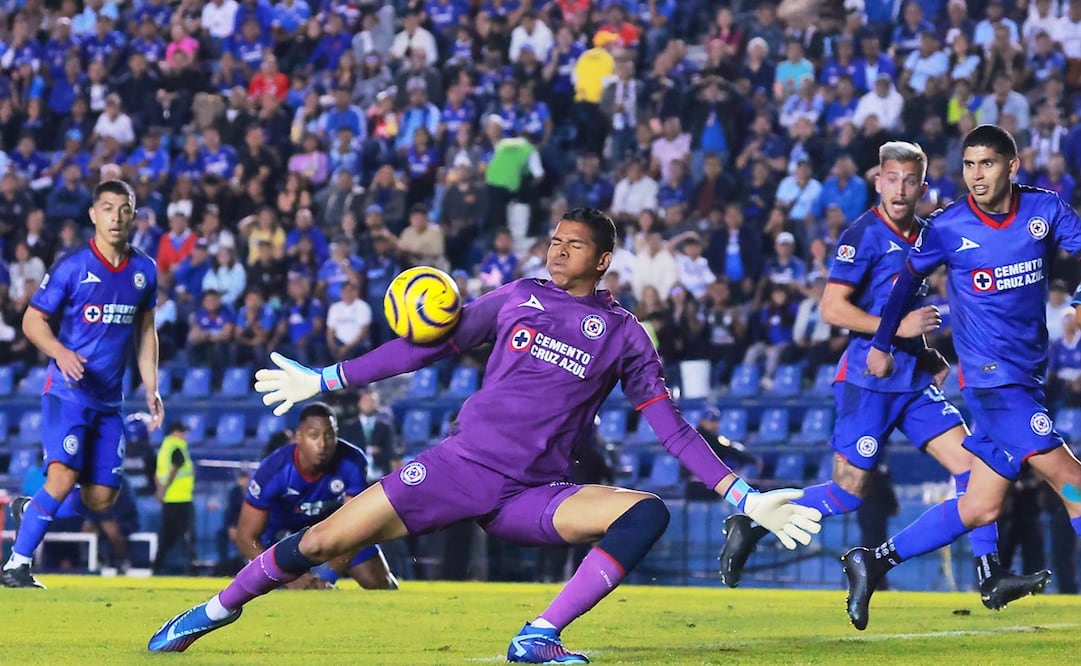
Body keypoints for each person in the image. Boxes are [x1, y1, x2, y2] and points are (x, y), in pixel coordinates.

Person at [148, 208, 823, 660]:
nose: (557, 249)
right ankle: (214, 609)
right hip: (459, 467)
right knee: (323, 541)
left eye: (574, 244)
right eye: (553, 240)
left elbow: (670, 429)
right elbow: (423, 346)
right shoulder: (518, 297)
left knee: (645, 513)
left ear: (604, 260)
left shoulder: (623, 335)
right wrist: (326, 377)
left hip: (533, 493)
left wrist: (742, 496)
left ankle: (539, 635)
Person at [719, 141, 1049, 608]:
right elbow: (832, 307)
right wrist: (898, 328)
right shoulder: (862, 235)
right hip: (866, 382)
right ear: (878, 181)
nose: (900, 188)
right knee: (849, 493)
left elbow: (906, 305)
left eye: (910, 180)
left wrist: (926, 350)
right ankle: (751, 523)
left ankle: (989, 574)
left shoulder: (927, 233)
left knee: (973, 468)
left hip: (912, 381)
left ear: (922, 186)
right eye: (892, 178)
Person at [849, 125, 1081, 631]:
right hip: (994, 386)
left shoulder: (1045, 211)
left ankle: (873, 560)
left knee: (978, 506)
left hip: (1028, 378)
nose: (976, 175)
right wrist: (885, 344)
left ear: (1012, 167)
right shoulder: (948, 227)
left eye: (988, 164)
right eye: (970, 165)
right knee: (1075, 482)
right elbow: (905, 283)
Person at [3, 180, 163, 589]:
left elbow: (146, 329)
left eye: (123, 208)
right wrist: (60, 352)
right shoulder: (73, 266)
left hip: (110, 401)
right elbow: (32, 321)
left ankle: (32, 508)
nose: (115, 216)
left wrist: (151, 386)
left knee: (101, 499)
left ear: (133, 215)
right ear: (93, 214)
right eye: (107, 208)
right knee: (62, 476)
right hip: (67, 393)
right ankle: (17, 566)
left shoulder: (144, 270)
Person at [233, 402, 397, 591]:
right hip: (280, 538)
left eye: (329, 435)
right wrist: (285, 578)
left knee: (381, 583)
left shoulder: (352, 461)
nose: (322, 444)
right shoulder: (273, 471)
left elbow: (355, 524)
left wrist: (328, 577)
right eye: (314, 436)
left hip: (331, 532)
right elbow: (246, 537)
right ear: (299, 437)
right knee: (270, 592)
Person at [154, 421, 195, 575]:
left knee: (167, 536)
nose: (186, 435)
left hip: (170, 500)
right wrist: (163, 490)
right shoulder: (177, 447)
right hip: (181, 499)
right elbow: (174, 469)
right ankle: (190, 568)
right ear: (175, 432)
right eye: (183, 431)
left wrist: (160, 491)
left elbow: (157, 473)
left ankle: (157, 566)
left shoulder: (164, 448)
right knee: (187, 535)